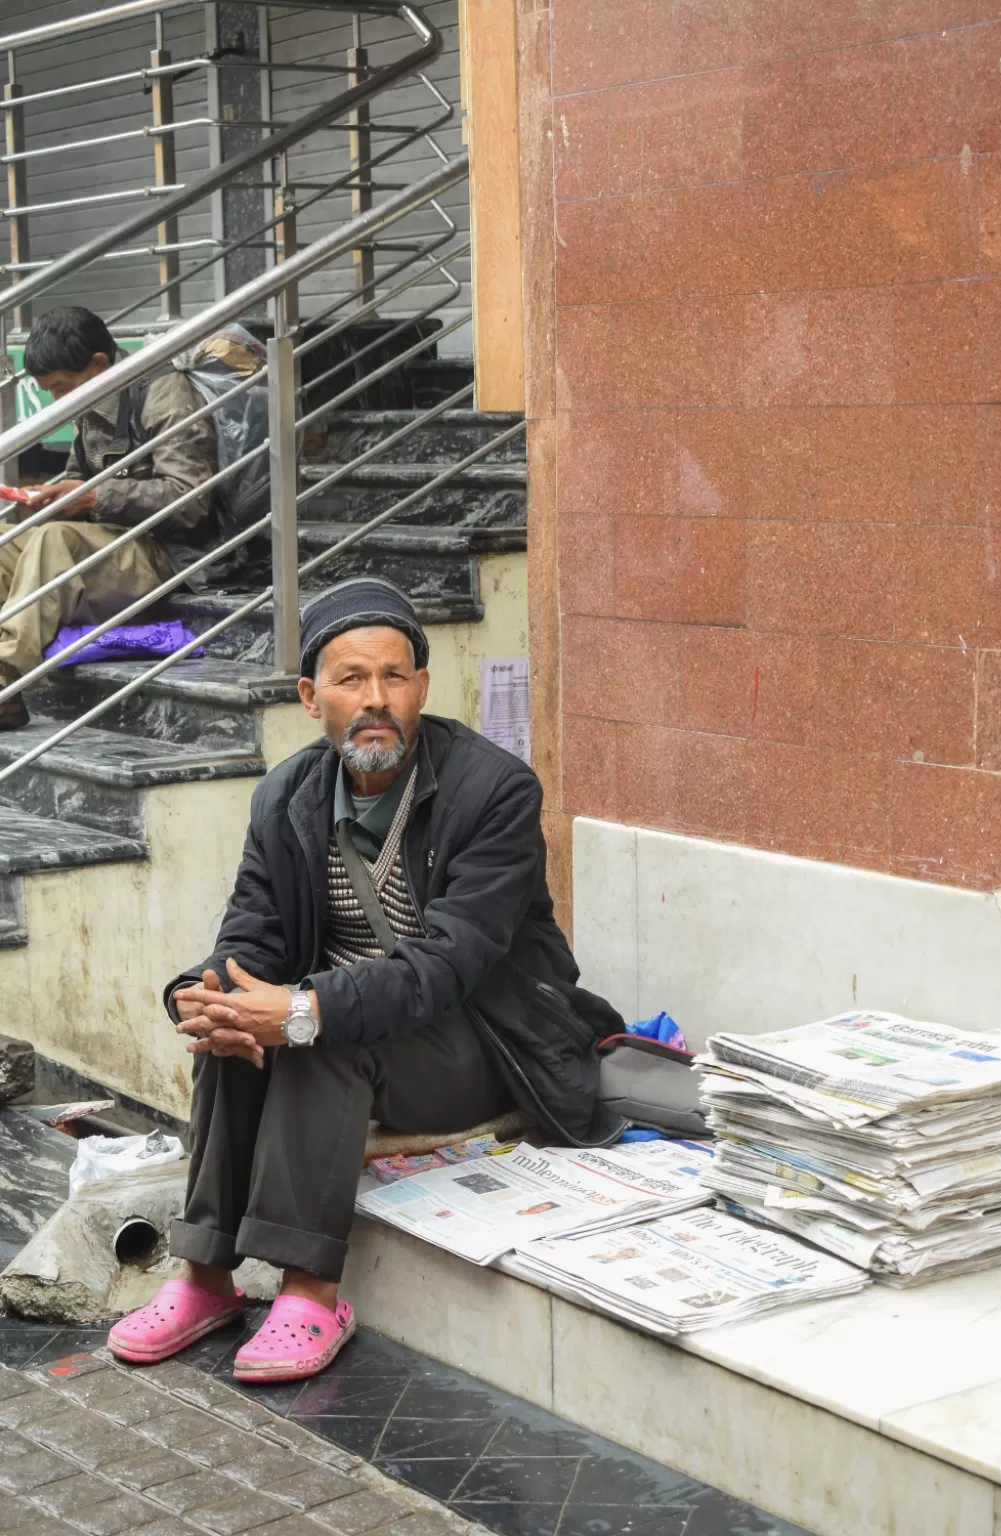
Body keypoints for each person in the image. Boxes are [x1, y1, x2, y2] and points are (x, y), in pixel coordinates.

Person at [108, 576, 623, 1383]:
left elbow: (449, 966)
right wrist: (204, 993)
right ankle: (206, 1278)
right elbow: (254, 931)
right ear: (313, 696)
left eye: (394, 677)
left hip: (489, 1039)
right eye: (352, 680)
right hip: (366, 1025)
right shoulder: (286, 796)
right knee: (235, 1028)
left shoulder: (495, 792)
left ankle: (311, 1292)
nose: (376, 699)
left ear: (422, 686)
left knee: (316, 1035)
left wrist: (305, 1010)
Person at [0, 306, 218, 730]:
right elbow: (82, 477)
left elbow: (190, 501)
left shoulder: (162, 392)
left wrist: (93, 498)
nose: (58, 402)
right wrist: (57, 495)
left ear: (98, 364)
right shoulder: (92, 394)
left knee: (52, 542)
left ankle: (4, 675)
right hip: (109, 541)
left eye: (61, 388)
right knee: (7, 540)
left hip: (166, 552)